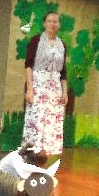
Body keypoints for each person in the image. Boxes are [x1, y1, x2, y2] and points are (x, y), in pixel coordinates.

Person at [22, 11, 68, 157]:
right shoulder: (36, 40)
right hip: (38, 85)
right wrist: (30, 89)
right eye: (49, 21)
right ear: (44, 23)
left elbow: (63, 72)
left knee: (51, 123)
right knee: (36, 121)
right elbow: (28, 65)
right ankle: (30, 154)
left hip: (55, 88)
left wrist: (65, 92)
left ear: (59, 25)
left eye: (55, 21)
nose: (52, 24)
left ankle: (44, 157)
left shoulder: (62, 45)